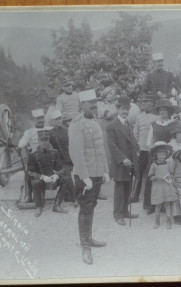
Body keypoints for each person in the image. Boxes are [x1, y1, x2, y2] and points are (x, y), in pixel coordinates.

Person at [69, 89, 110, 265]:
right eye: (90, 102)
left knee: (91, 205)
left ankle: (89, 238)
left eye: (95, 101)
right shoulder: (77, 125)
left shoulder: (94, 122)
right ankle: (85, 246)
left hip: (97, 172)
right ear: (82, 104)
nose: (94, 105)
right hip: (85, 175)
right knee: (85, 209)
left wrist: (105, 170)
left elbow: (101, 149)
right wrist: (84, 176)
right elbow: (76, 153)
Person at [106, 95, 140, 226]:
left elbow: (132, 139)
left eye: (127, 109)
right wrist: (123, 158)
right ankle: (118, 214)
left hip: (131, 161)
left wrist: (137, 148)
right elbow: (112, 146)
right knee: (120, 189)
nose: (125, 111)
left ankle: (125, 211)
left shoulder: (128, 123)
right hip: (121, 163)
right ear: (117, 109)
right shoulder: (112, 126)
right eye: (123, 109)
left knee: (128, 187)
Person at [28, 128, 73, 217]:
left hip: (52, 179)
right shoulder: (33, 154)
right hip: (41, 180)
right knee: (35, 182)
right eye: (42, 140)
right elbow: (29, 172)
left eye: (46, 140)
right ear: (38, 141)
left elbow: (61, 168)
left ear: (49, 141)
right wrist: (42, 177)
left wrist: (56, 175)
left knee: (66, 180)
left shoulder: (54, 153)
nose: (44, 142)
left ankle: (57, 205)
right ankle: (38, 207)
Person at [130, 93, 158, 203]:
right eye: (142, 102)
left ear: (152, 103)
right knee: (138, 173)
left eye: (146, 101)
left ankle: (150, 198)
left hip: (152, 150)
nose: (143, 104)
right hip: (141, 150)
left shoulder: (156, 117)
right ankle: (135, 195)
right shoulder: (139, 117)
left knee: (152, 174)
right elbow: (135, 134)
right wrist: (136, 148)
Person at [49, 110, 77, 207]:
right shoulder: (51, 133)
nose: (59, 121)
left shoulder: (67, 130)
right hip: (58, 159)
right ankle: (74, 199)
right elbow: (49, 147)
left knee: (70, 177)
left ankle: (72, 197)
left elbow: (73, 143)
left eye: (60, 118)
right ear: (52, 121)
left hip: (69, 157)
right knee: (67, 177)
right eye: (56, 119)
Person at [148, 141, 178, 229]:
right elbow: (150, 177)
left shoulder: (168, 164)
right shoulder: (154, 165)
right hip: (158, 187)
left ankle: (169, 220)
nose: (162, 156)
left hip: (167, 187)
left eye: (163, 154)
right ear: (156, 155)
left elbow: (171, 173)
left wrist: (170, 177)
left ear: (166, 155)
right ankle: (157, 221)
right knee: (158, 204)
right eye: (160, 154)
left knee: (167, 203)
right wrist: (156, 177)